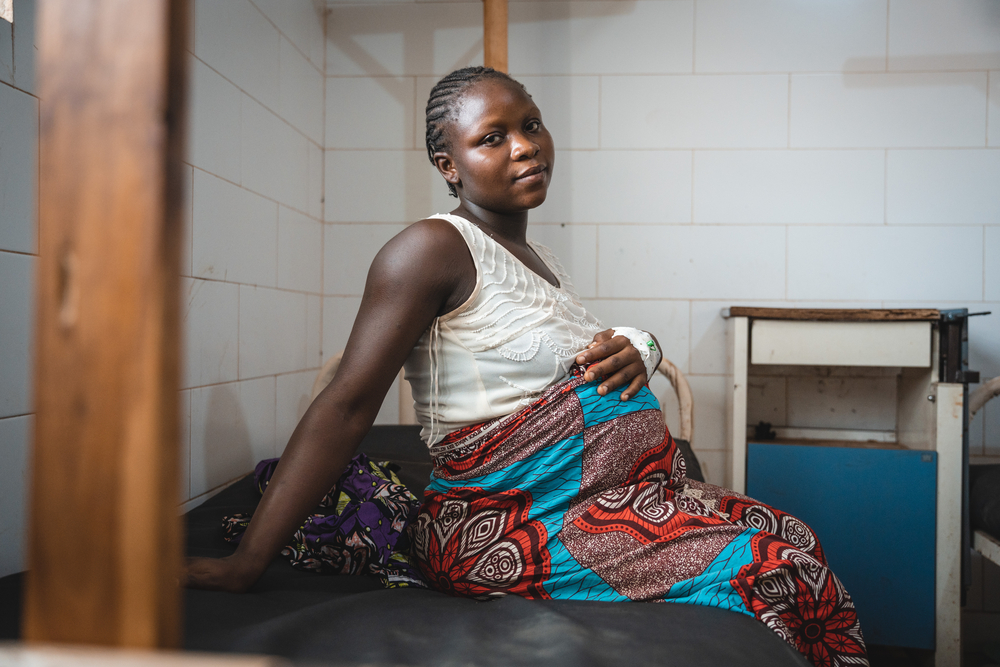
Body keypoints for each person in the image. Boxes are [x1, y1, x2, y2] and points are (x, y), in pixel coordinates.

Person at [186, 66, 867, 667]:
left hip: (599, 501)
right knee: (782, 571)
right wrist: (247, 564)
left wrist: (643, 344)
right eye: (492, 137)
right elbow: (345, 404)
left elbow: (595, 361)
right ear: (447, 163)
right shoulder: (431, 247)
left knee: (793, 532)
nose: (525, 146)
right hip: (516, 522)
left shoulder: (546, 267)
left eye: (531, 125)